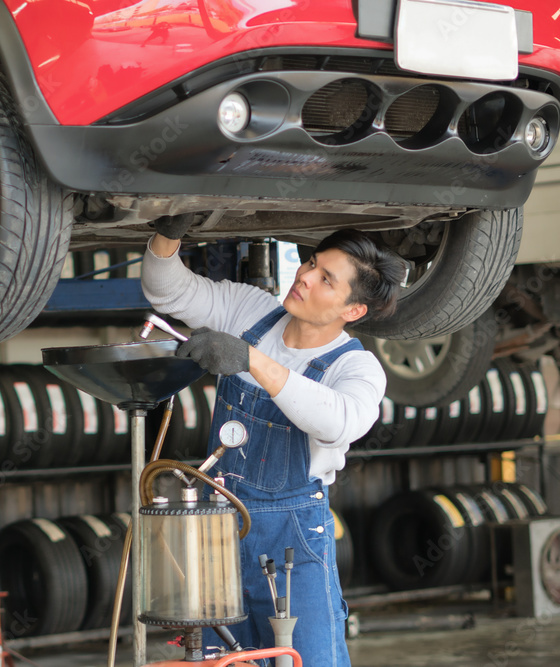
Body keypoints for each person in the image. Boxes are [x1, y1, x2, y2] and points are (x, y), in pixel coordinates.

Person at [141, 216, 404, 667]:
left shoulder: (355, 368)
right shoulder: (251, 311)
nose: (304, 276)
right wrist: (170, 231)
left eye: (325, 279)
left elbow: (338, 422)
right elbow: (167, 290)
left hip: (293, 547)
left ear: (352, 310)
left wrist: (250, 359)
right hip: (217, 538)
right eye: (310, 263)